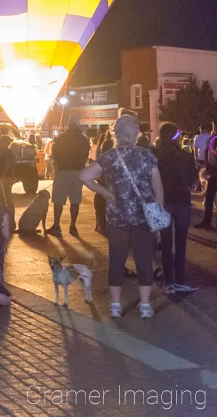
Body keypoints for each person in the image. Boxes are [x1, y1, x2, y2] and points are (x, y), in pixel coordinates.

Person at [80, 115, 164, 319]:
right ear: (135, 132)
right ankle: (144, 306)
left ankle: (115, 306)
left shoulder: (109, 156)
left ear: (115, 133)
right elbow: (158, 188)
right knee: (144, 260)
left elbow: (84, 176)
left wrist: (105, 193)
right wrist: (158, 214)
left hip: (116, 219)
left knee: (117, 261)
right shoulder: (147, 156)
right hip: (143, 219)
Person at [153, 122, 198, 294]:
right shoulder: (185, 156)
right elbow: (193, 181)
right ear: (175, 137)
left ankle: (168, 281)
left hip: (164, 202)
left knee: (165, 243)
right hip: (182, 202)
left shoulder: (156, 156)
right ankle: (180, 280)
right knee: (180, 242)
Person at [46, 116, 90, 237]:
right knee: (75, 200)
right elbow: (85, 155)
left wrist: (59, 163)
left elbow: (55, 153)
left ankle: (56, 225)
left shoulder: (62, 138)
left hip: (63, 171)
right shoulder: (84, 140)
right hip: (78, 172)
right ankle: (72, 225)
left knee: (58, 199)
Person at [195, 123, 217, 229]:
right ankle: (207, 221)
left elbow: (211, 159)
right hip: (213, 172)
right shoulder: (212, 139)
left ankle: (207, 221)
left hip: (214, 173)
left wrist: (209, 169)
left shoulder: (213, 140)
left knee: (209, 197)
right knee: (209, 197)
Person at [0, 135, 16, 230]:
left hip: (6, 178)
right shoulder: (5, 152)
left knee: (7, 200)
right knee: (6, 199)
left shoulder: (8, 153)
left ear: (6, 143)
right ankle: (9, 221)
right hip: (6, 177)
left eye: (1, 142)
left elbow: (8, 164)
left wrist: (2, 175)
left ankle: (11, 222)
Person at [94, 131, 113, 234]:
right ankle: (103, 224)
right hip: (108, 178)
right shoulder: (108, 144)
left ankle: (101, 224)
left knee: (101, 201)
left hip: (103, 178)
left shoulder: (103, 145)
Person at [193, 123, 212, 193]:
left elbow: (195, 148)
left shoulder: (197, 138)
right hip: (209, 158)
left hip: (200, 157)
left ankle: (198, 187)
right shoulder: (211, 137)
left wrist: (195, 157)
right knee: (208, 173)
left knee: (199, 173)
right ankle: (208, 186)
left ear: (204, 129)